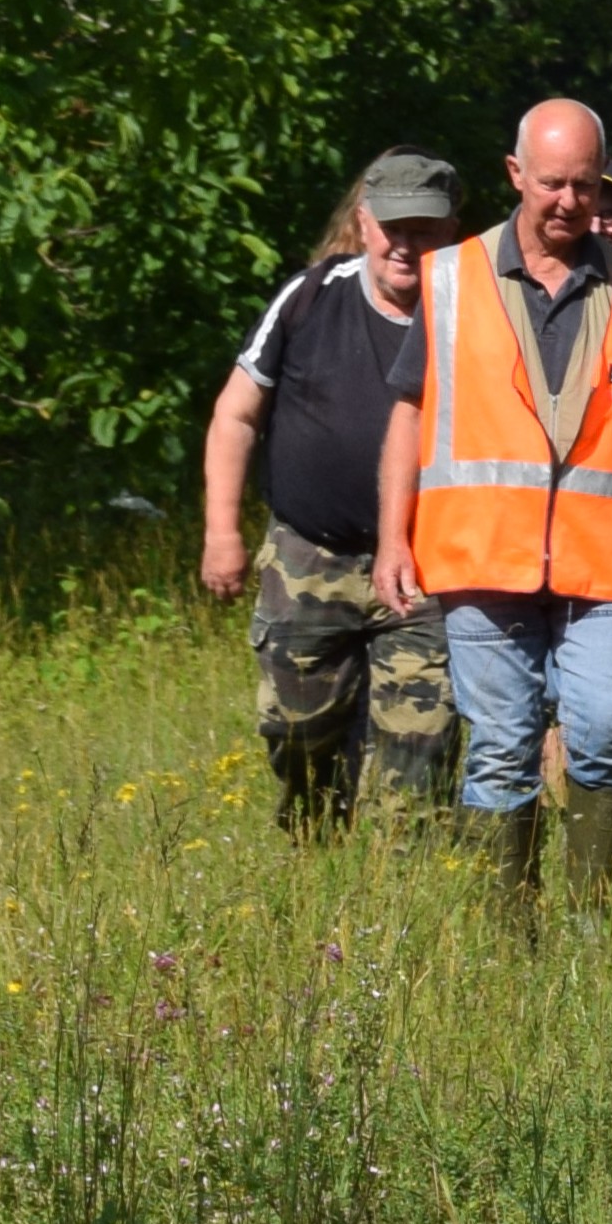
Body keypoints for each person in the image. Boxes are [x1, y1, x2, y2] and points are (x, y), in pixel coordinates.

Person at [372, 101, 612, 905]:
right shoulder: (451, 279)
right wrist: (391, 539)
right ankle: (506, 938)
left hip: (609, 559)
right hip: (481, 557)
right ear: (515, 175)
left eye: (585, 186)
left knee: (604, 727)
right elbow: (408, 414)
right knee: (502, 746)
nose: (568, 202)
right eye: (551, 183)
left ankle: (589, 925)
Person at [200, 147, 465, 833]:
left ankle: (399, 901)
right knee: (295, 730)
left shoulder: (473, 315)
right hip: (308, 560)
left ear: (450, 231)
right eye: (393, 226)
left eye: (424, 229)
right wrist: (221, 533)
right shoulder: (312, 296)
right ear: (365, 221)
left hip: (425, 568)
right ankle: (314, 831)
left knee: (419, 754)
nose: (406, 245)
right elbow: (235, 414)